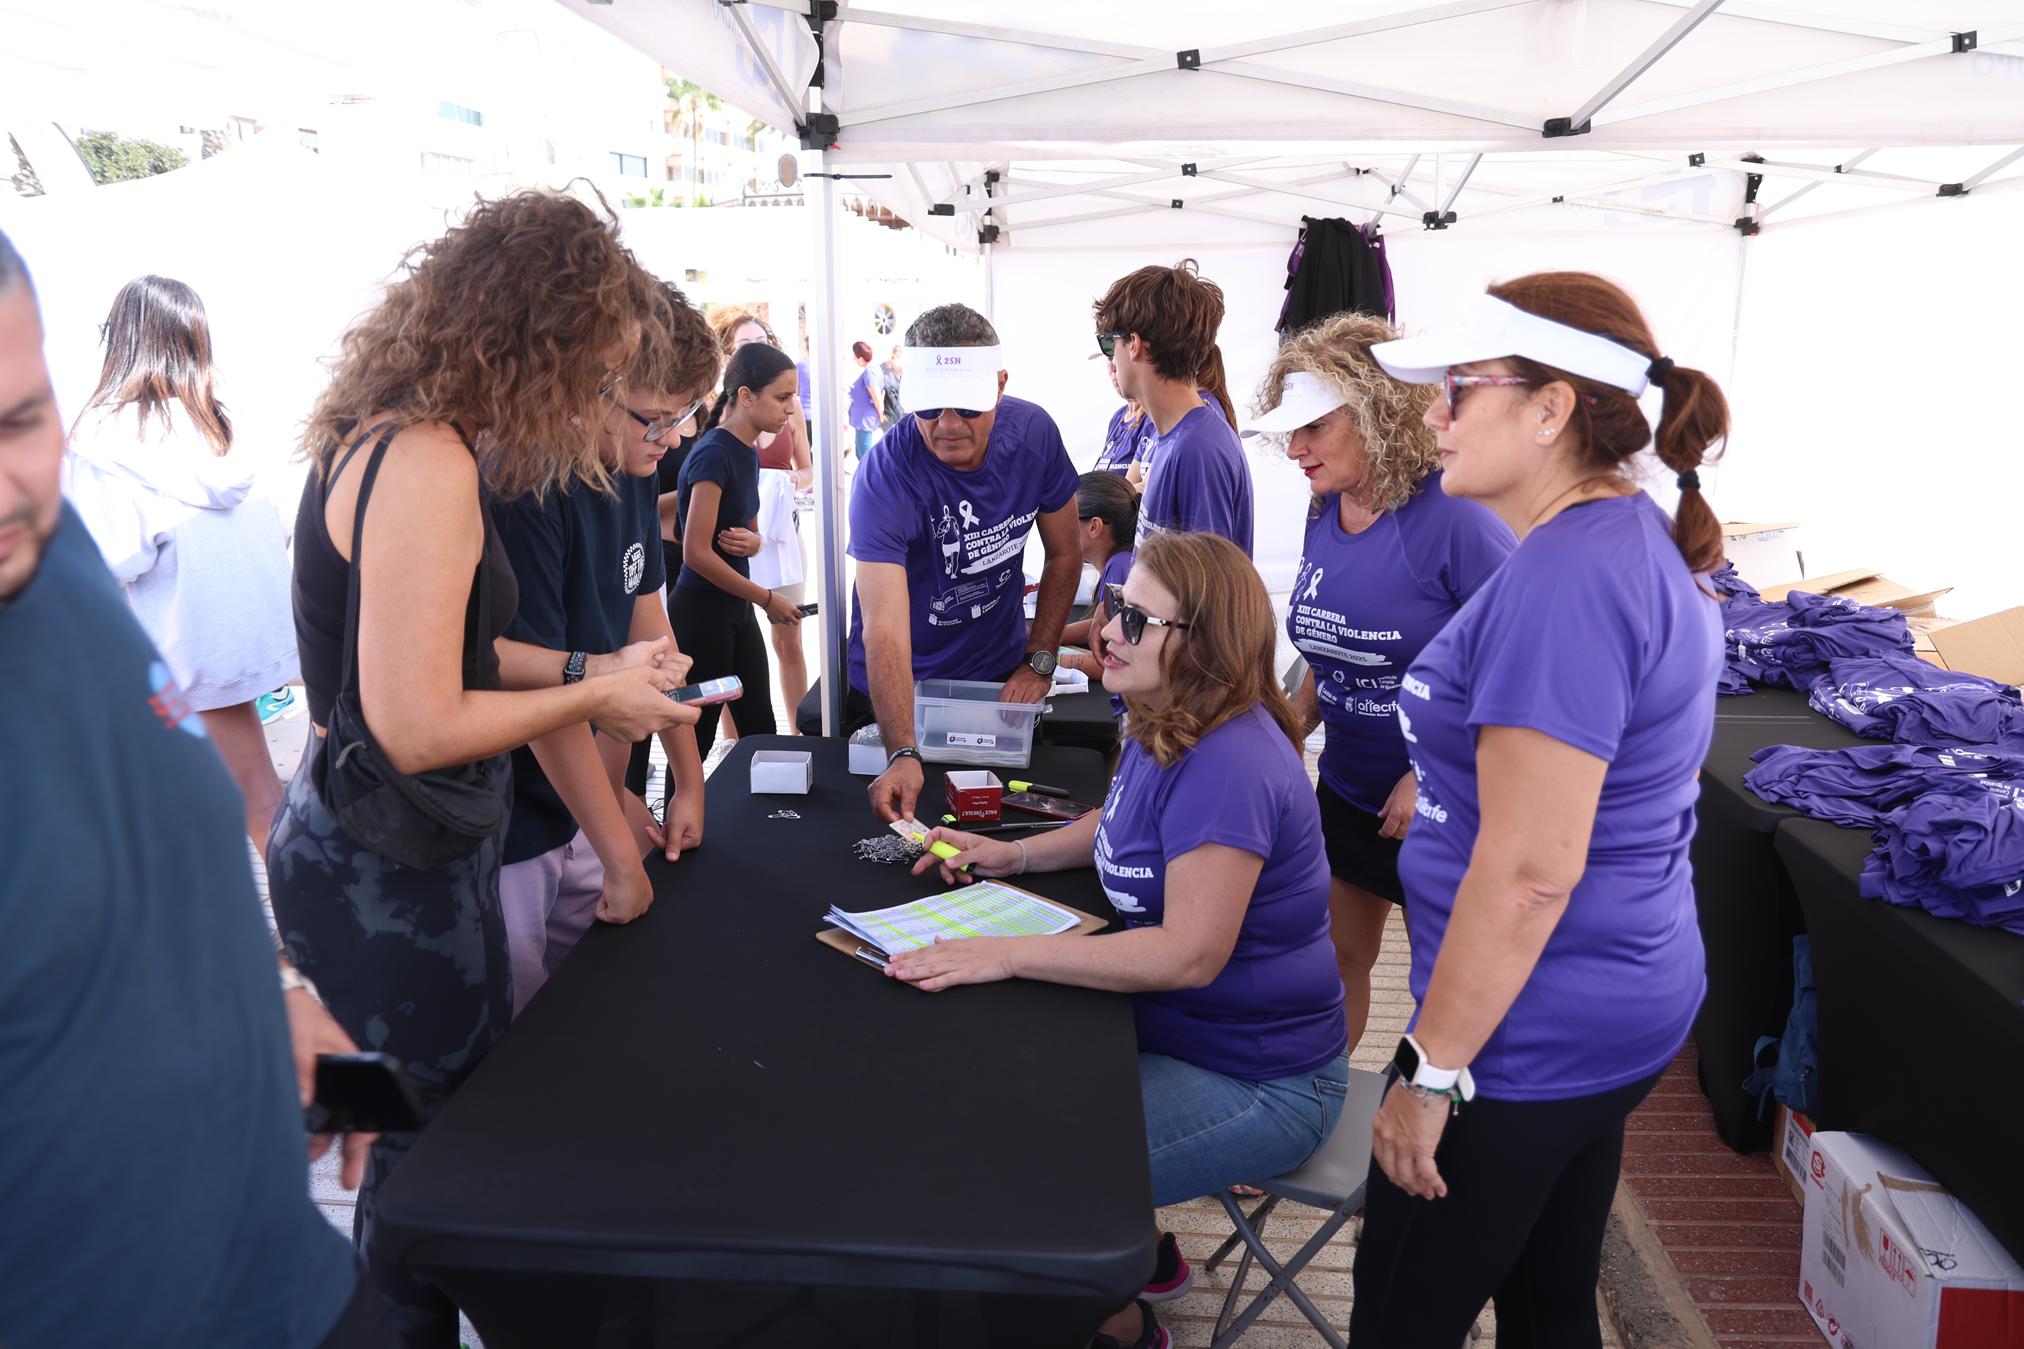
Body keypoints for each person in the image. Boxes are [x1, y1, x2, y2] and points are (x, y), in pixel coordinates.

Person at [267, 190, 695, 1346]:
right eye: (600, 371)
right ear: (539, 341)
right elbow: (414, 722)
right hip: (383, 872)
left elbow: (433, 656)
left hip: (366, 856)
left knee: (399, 1139)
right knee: (424, 1156)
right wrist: (598, 689)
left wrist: (586, 667)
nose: (600, 397)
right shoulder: (425, 459)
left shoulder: (391, 433)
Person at [0, 231, 399, 1348]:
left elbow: (161, 841)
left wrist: (272, 988)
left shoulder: (54, 545)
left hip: (288, 1277)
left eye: (22, 420)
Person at [1347, 273, 1727, 1347]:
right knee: (1549, 1296)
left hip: (1522, 1035)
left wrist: (1427, 1072)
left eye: (1458, 388)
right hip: (1610, 1003)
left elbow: (1527, 873)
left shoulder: (1570, 575)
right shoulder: (1622, 538)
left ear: (1551, 407)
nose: (1431, 414)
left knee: (1399, 1318)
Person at [892, 531, 1350, 1349]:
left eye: (1136, 620)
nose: (1104, 630)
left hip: (1263, 1080)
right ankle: (1145, 1257)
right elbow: (1123, 825)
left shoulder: (1233, 762)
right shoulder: (1165, 718)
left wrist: (1006, 950)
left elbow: (1187, 953)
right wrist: (1017, 853)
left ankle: (1123, 1322)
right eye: (1112, 606)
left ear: (1201, 645)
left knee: (1018, 1176)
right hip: (1193, 1040)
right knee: (993, 1081)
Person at [1244, 313, 1515, 1056]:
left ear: (1378, 412)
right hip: (1349, 790)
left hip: (1446, 807)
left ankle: (1441, 1146)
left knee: (1447, 990)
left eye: (1315, 428)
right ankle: (1318, 1107)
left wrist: (1429, 772)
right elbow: (1328, 643)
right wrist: (1293, 713)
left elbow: (1519, 670)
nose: (1294, 448)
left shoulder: (1458, 519)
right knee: (1334, 962)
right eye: (1290, 431)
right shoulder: (1325, 505)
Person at [488, 269, 721, 1015]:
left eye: (686, 415)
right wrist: (618, 849)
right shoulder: (525, 487)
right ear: (594, 384)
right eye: (656, 417)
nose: (675, 437)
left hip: (587, 803)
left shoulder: (629, 468)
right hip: (516, 820)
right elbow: (540, 694)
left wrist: (688, 775)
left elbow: (649, 621)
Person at [61, 274, 300, 848]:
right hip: (270, 632)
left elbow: (113, 558)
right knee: (277, 794)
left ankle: (317, 930)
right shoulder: (223, 421)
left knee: (254, 801)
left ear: (121, 341)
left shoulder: (102, 437)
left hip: (188, 647)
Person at [822, 303, 1081, 822]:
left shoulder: (1034, 435)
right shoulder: (884, 476)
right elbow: (884, 629)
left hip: (998, 683)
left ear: (1000, 386)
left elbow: (1066, 552)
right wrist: (902, 751)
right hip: (901, 694)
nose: (947, 426)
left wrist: (1041, 659)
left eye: (967, 407)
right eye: (928, 407)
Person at [671, 339, 807, 762]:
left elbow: (744, 530)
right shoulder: (714, 452)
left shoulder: (747, 451)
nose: (790, 409)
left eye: (793, 397)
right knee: (697, 739)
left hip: (736, 609)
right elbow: (694, 551)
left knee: (760, 731)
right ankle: (684, 824)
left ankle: (765, 825)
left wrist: (757, 541)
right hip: (702, 613)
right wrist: (767, 598)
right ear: (746, 396)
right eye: (781, 397)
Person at [1095, 260, 1252, 553]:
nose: (1111, 359)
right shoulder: (1177, 438)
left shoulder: (1198, 447)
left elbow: (1210, 590)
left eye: (1108, 345)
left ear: (1133, 344)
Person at [709, 306, 812, 738]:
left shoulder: (790, 411)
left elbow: (807, 469)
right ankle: (733, 741)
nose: (755, 350)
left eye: (761, 342)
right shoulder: (720, 421)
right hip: (735, 540)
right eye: (744, 345)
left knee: (788, 636)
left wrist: (791, 479)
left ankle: (801, 729)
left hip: (781, 532)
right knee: (734, 645)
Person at [1059, 471, 1136, 706]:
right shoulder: (1118, 561)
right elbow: (1100, 626)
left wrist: (1047, 656)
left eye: (1066, 521)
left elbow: (1108, 662)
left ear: (1094, 526)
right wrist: (1051, 636)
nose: (1059, 530)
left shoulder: (1120, 568)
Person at [1090, 353, 1153, 479]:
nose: (1113, 367)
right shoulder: (1118, 416)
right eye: (1109, 358)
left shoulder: (1151, 418)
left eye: (1116, 356)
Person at [846, 338, 884, 457]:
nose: (853, 358)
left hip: (865, 420)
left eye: (854, 356)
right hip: (864, 419)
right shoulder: (875, 369)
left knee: (864, 455)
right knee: (862, 453)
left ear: (861, 358)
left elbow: (877, 397)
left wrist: (881, 414)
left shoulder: (869, 372)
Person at [877, 343, 905, 429]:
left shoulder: (906, 373)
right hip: (889, 417)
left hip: (903, 415)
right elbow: (878, 394)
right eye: (893, 357)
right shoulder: (883, 372)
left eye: (898, 357)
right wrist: (881, 414)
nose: (895, 360)